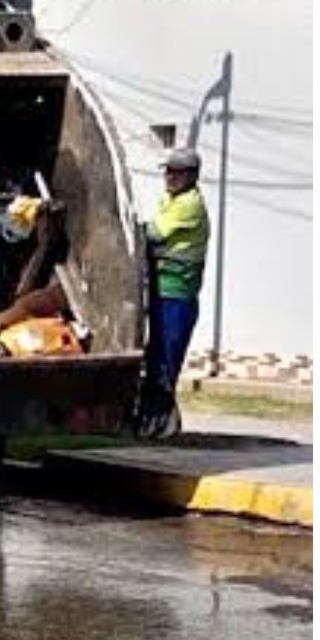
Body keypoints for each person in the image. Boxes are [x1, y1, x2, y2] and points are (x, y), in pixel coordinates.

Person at [138, 146, 212, 440]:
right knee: (155, 356)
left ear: (191, 176)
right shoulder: (172, 200)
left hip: (177, 295)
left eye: (175, 172)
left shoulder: (188, 205)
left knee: (166, 360)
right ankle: (153, 421)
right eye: (167, 171)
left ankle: (161, 423)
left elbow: (154, 234)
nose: (168, 176)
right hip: (164, 290)